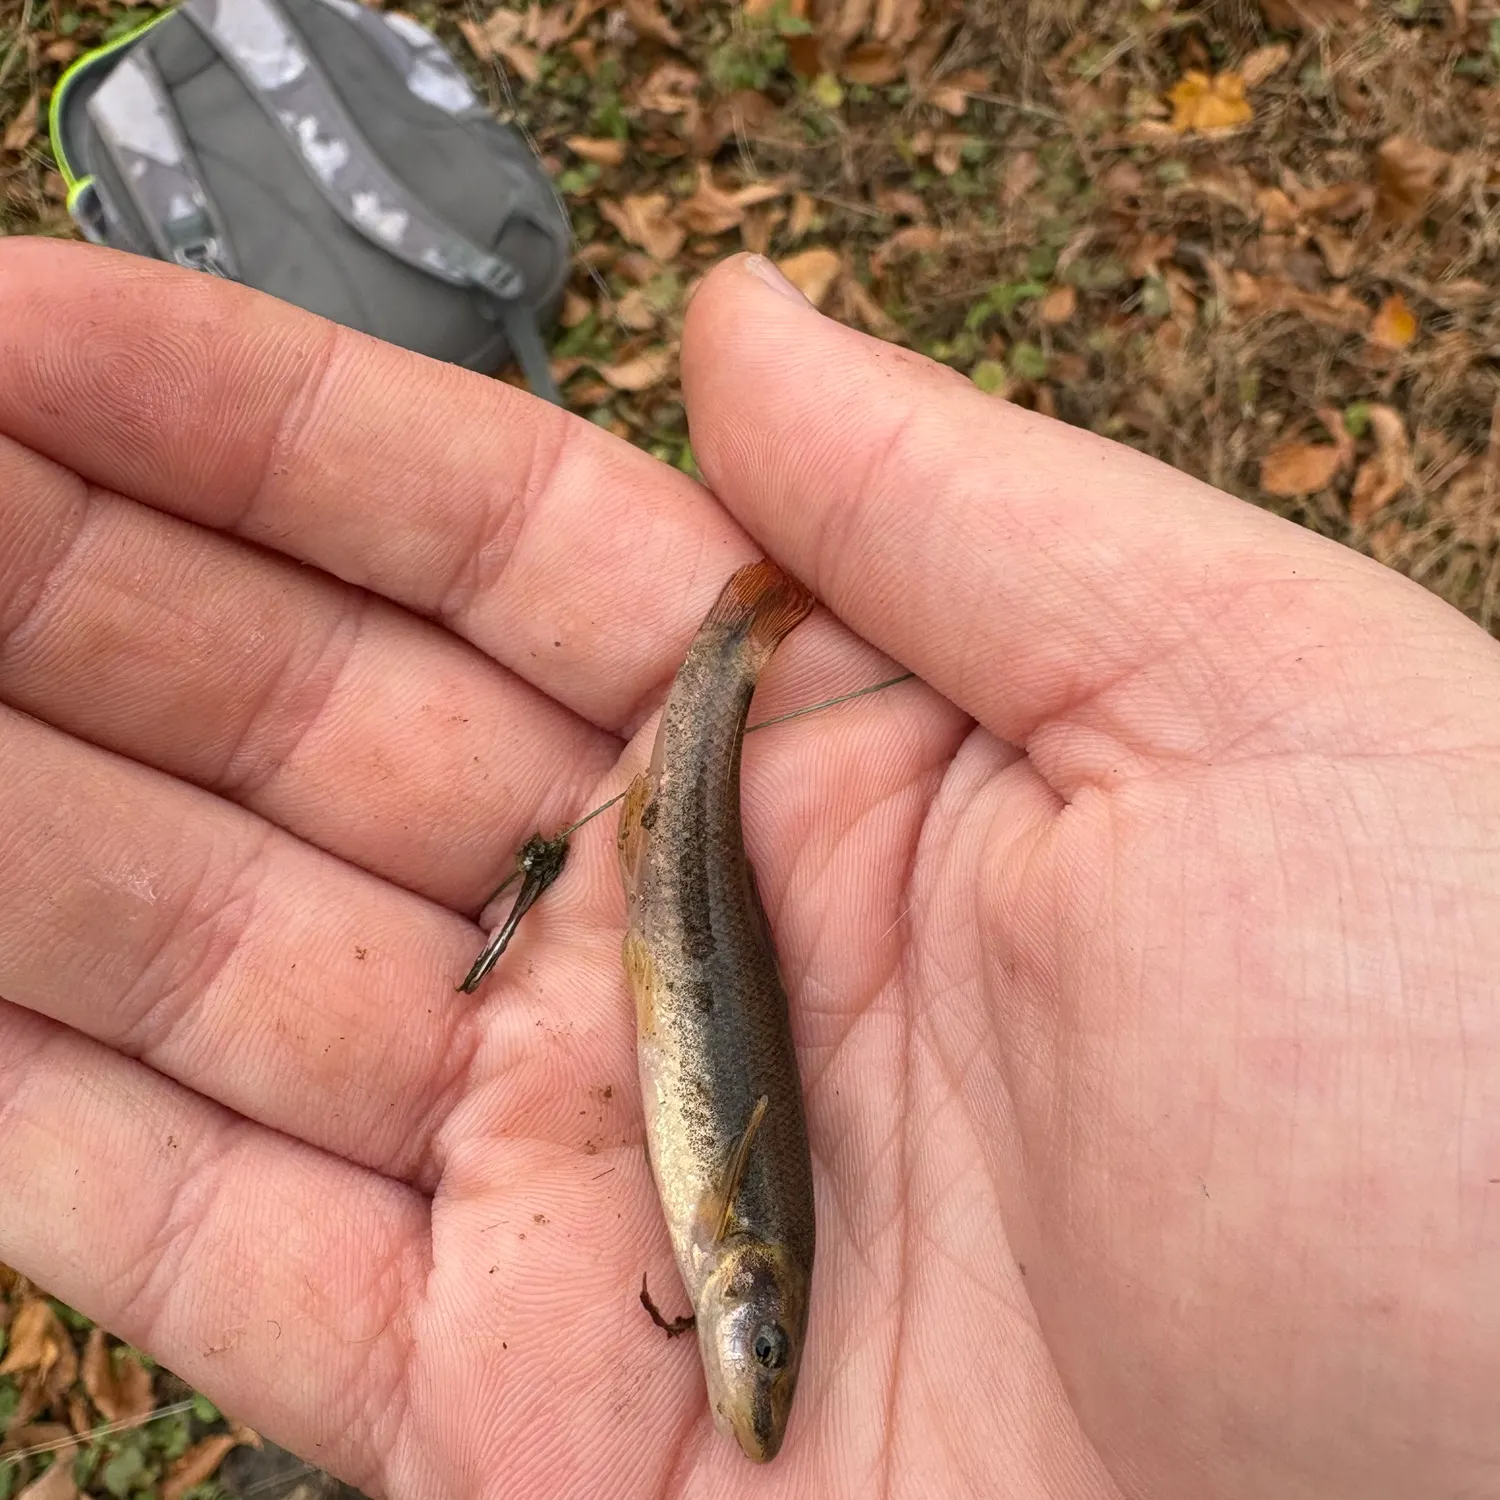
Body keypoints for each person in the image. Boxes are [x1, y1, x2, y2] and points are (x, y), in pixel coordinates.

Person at [0, 238, 1495, 1500]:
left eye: (755, 1367)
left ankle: (731, 663)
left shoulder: (737, 1258)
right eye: (761, 1358)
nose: (748, 1386)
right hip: (696, 938)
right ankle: (731, 657)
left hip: (696, 956)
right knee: (679, 845)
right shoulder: (744, 1242)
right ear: (750, 1306)